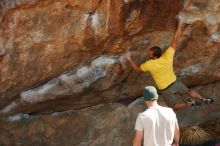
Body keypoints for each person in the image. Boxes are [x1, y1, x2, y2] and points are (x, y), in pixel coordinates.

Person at [124, 3, 214, 110]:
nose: (147, 53)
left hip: (166, 88)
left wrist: (129, 59)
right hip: (175, 82)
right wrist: (180, 23)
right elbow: (176, 39)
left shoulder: (149, 64)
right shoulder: (168, 56)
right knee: (188, 91)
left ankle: (189, 104)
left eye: (149, 53)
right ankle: (203, 99)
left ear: (153, 56)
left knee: (174, 106)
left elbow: (138, 70)